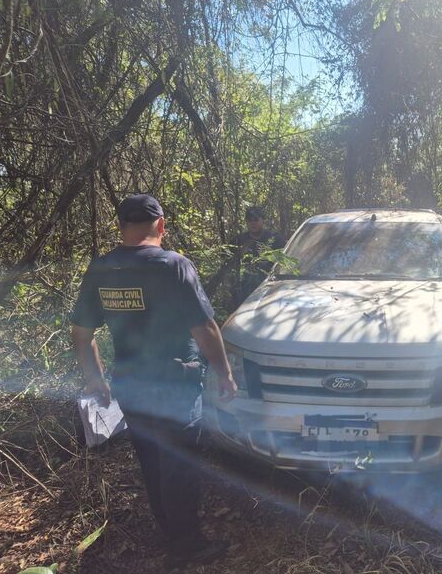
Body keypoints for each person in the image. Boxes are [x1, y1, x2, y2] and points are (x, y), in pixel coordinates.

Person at [70, 194, 238, 568]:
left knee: (151, 459)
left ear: (121, 227)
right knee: (179, 464)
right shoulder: (173, 265)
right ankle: (188, 546)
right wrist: (224, 372)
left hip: (130, 384)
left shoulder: (102, 268)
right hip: (175, 383)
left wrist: (95, 379)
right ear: (161, 225)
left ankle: (170, 529)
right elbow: (205, 327)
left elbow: (82, 333)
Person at [234, 206, 286, 304]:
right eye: (249, 220)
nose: (252, 223)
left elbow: (285, 263)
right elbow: (231, 266)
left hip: (270, 288)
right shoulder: (239, 240)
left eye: (256, 220)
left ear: (263, 220)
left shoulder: (275, 239)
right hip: (245, 289)